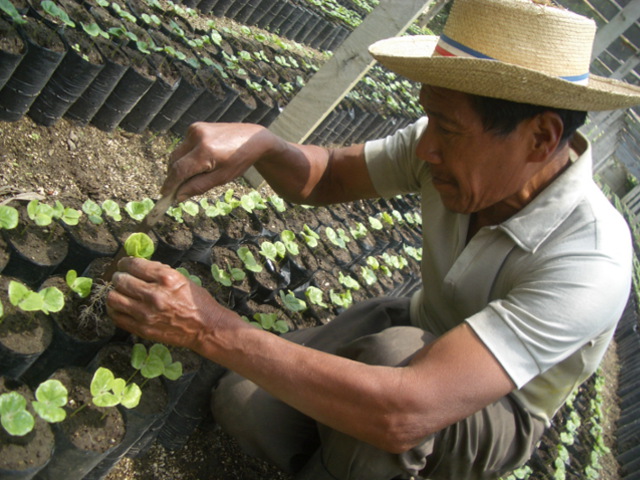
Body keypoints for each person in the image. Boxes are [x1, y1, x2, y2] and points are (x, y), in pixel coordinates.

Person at [106, 0, 640, 478]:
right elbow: (332, 175)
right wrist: (264, 145)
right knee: (246, 404)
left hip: (496, 408)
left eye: (447, 129)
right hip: (418, 324)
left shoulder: (591, 260)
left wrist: (207, 327)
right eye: (429, 115)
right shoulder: (446, 151)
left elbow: (408, 406)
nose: (425, 147)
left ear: (542, 137)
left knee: (389, 388)